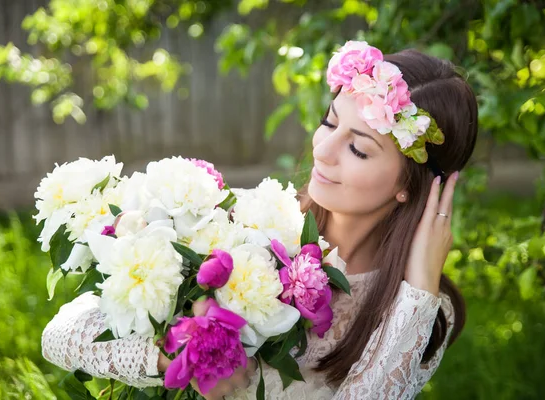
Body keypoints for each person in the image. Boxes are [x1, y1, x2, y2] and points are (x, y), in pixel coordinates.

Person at [41, 40, 477, 399]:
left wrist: (418, 291)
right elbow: (60, 335)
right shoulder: (252, 223)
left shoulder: (421, 313)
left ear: (411, 184)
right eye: (329, 123)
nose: (323, 150)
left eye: (359, 148)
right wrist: (175, 358)